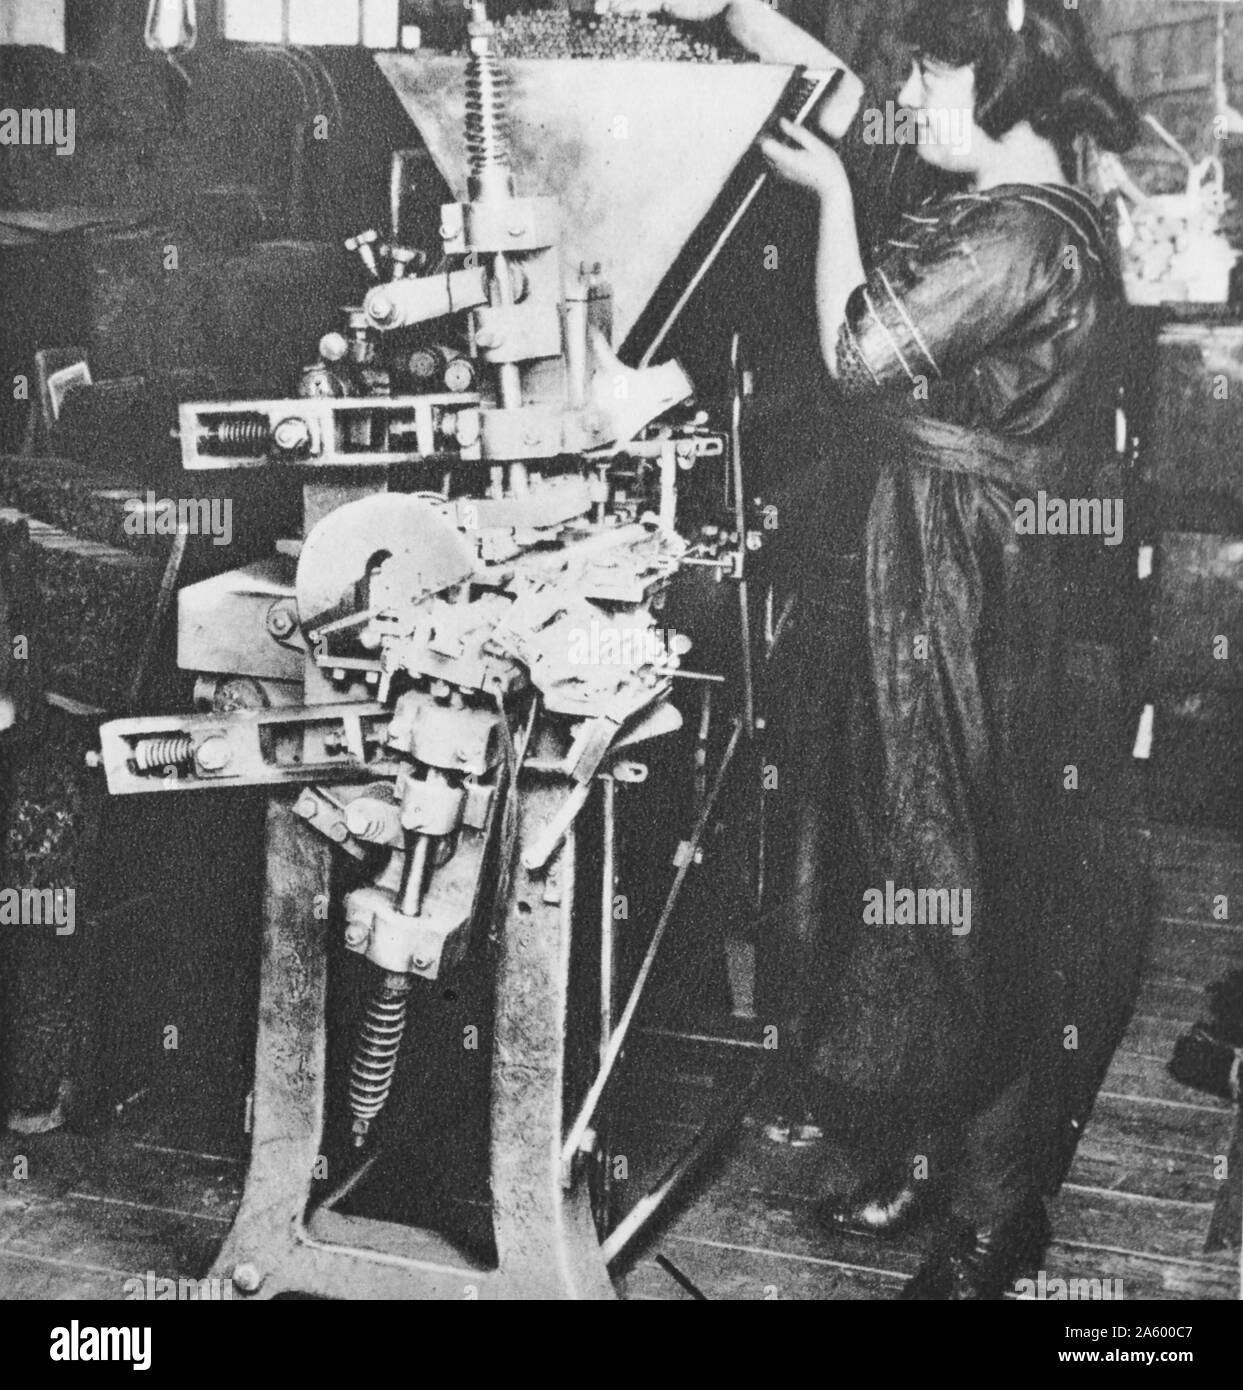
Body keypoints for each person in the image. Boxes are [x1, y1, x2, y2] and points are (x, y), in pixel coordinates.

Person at [612, 0, 1140, 1299]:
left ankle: (990, 1220)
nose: (914, 97)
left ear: (1001, 93)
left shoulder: (1019, 232)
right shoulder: (1021, 197)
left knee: (956, 874)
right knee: (904, 858)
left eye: (937, 77)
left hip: (963, 584)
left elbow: (860, 358)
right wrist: (740, 17)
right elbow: (862, 110)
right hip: (938, 564)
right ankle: (918, 1141)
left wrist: (833, 197)